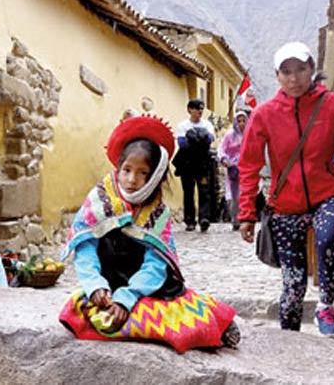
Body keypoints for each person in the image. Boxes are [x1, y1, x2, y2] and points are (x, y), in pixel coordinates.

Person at [58, 115, 239, 352]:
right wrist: (95, 286)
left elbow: (155, 265)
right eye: (127, 170)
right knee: (78, 309)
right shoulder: (99, 201)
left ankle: (218, 323)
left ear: (155, 176)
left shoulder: (157, 213)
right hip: (108, 285)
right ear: (118, 168)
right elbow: (86, 248)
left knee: (178, 318)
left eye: (143, 173)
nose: (132, 180)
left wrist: (130, 296)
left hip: (149, 288)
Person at [238, 41, 334, 337]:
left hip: (327, 193)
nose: (294, 78)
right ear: (277, 76)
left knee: (329, 237)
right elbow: (249, 165)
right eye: (286, 71)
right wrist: (246, 214)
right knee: (293, 284)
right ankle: (289, 335)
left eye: (301, 69)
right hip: (285, 203)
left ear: (312, 70)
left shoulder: (332, 105)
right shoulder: (264, 114)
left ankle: (325, 306)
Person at [173, 99, 215, 232]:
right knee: (188, 192)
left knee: (204, 191)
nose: (200, 111)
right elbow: (182, 143)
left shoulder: (207, 124)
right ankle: (190, 220)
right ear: (190, 109)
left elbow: (210, 139)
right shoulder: (183, 125)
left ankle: (204, 218)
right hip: (187, 163)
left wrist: (192, 138)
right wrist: (199, 139)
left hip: (203, 163)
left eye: (201, 108)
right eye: (197, 108)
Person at [218, 111, 248, 230]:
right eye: (239, 121)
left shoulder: (250, 134)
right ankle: (235, 219)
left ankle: (245, 217)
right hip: (233, 168)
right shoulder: (229, 136)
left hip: (247, 168)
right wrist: (224, 159)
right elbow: (221, 148)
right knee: (234, 194)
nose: (241, 124)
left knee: (245, 193)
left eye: (243, 121)